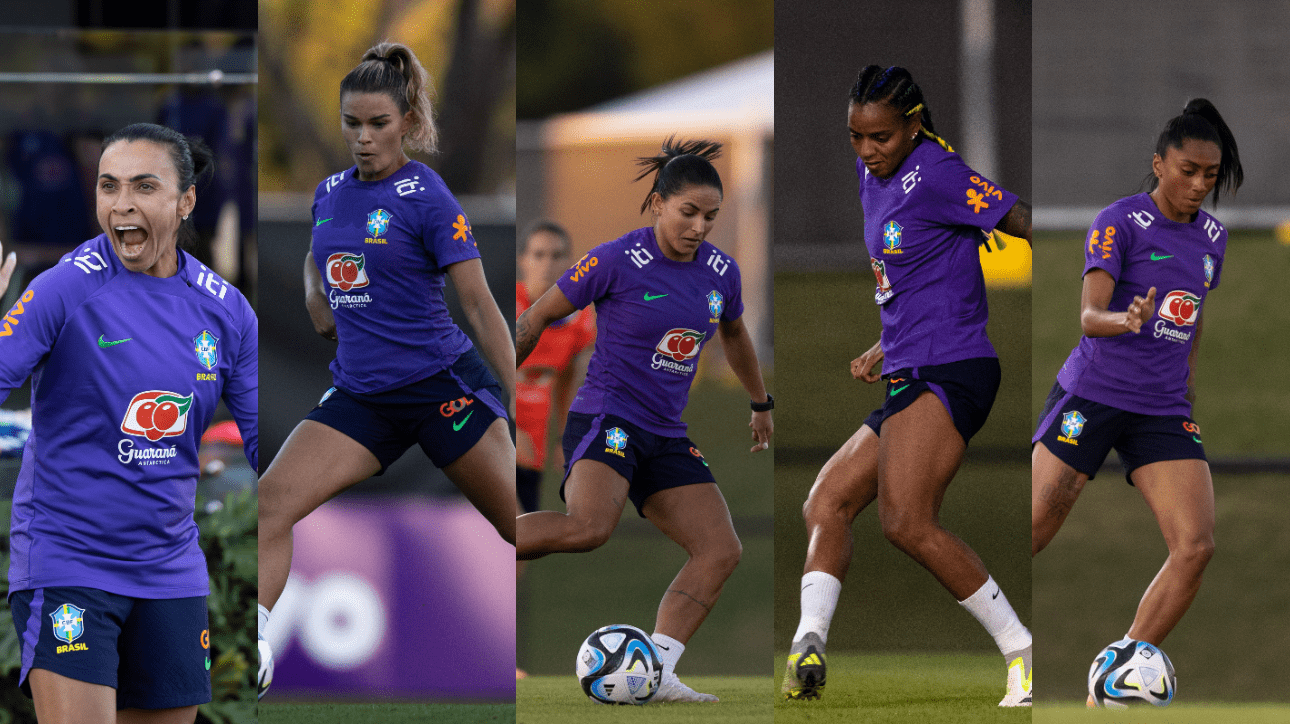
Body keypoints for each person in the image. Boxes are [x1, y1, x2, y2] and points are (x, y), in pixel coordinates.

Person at [255, 42, 516, 698]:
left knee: (526, 529)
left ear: (404, 121)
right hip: (363, 397)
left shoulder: (426, 195)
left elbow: (480, 305)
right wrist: (316, 290)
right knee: (268, 506)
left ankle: (610, 640)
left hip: (441, 387)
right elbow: (322, 271)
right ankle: (254, 648)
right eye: (352, 123)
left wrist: (524, 399)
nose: (363, 137)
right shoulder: (328, 194)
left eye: (377, 123)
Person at [781, 66, 1033, 707]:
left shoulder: (939, 173)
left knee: (907, 522)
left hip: (952, 367)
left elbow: (1020, 219)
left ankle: (1023, 654)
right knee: (825, 502)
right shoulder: (874, 175)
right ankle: (807, 646)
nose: (867, 149)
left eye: (882, 137)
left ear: (914, 125)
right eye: (856, 136)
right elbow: (921, 271)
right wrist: (887, 344)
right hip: (912, 364)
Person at [1, 123, 257, 723]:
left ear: (185, 201)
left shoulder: (226, 309)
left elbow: (265, 443)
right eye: (108, 187)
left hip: (171, 572)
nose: (122, 205)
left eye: (144, 187)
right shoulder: (64, 286)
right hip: (68, 564)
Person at [516, 138, 773, 703]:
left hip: (665, 433)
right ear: (658, 204)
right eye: (689, 212)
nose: (700, 226)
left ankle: (655, 674)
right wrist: (498, 375)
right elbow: (537, 315)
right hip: (607, 417)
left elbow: (733, 334)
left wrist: (760, 402)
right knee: (589, 528)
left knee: (721, 550)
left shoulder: (721, 272)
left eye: (711, 216)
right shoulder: (616, 259)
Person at [1031, 99, 1241, 702]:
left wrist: (1189, 386)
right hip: (1093, 392)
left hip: (1162, 406)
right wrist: (1127, 318)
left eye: (1210, 173)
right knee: (1035, 531)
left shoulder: (1213, 238)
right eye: (1187, 170)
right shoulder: (1118, 221)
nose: (1200, 183)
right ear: (1158, 164)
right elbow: (1090, 317)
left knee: (1196, 546)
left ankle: (1117, 667)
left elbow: (1193, 317)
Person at [514, 220, 594, 680]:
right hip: (492, 437)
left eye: (557, 254)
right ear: (524, 261)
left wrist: (570, 440)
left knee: (519, 555)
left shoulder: (578, 317)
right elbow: (489, 366)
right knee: (510, 537)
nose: (548, 263)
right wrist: (505, 429)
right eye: (538, 254)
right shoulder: (514, 307)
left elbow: (565, 378)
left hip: (534, 451)